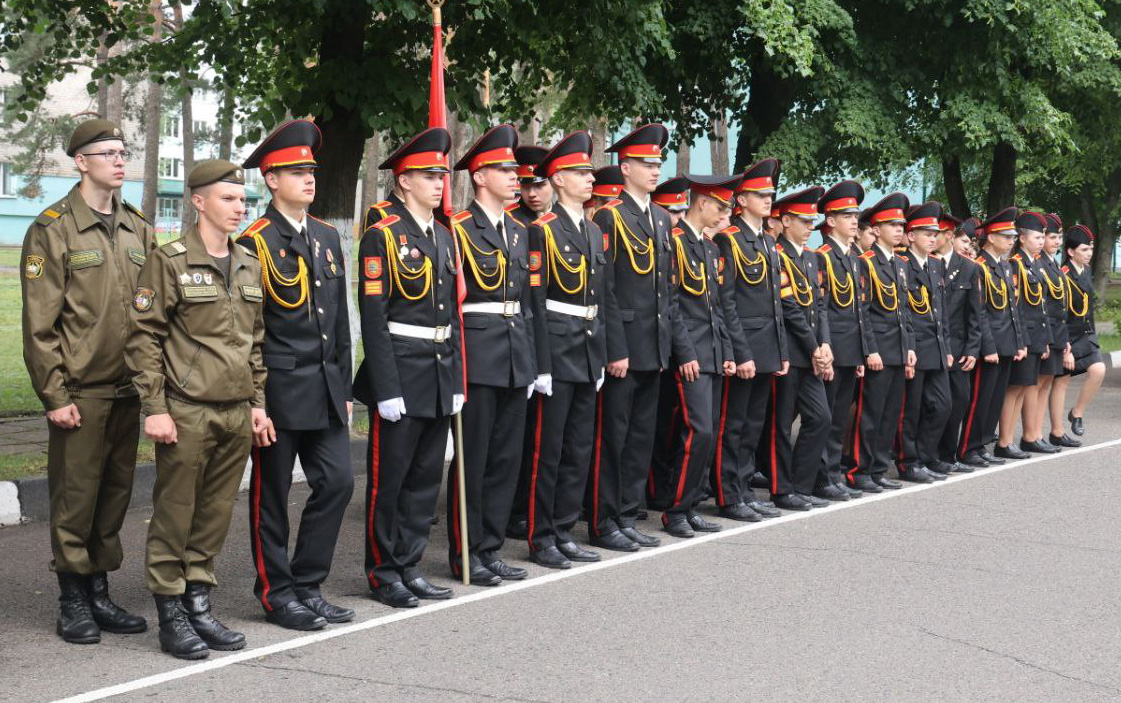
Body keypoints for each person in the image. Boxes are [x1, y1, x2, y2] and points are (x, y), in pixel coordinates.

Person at [127, 159, 269, 659]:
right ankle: (170, 613)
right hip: (186, 410)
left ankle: (198, 603)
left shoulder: (248, 262)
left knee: (213, 514)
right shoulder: (169, 261)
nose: (239, 208)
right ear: (199, 201)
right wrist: (155, 407)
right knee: (176, 512)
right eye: (228, 198)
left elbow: (254, 343)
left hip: (235, 411)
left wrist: (257, 403)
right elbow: (144, 337)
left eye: (243, 200)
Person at [21, 119, 154, 644]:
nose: (119, 161)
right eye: (108, 153)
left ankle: (99, 591)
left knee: (114, 496)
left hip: (129, 390)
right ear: (81, 162)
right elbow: (40, 325)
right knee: (75, 498)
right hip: (81, 392)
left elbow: (151, 313)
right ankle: (72, 599)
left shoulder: (138, 227)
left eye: (123, 152)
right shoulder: (53, 228)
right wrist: (54, 395)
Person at [236, 119, 355, 631]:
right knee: (271, 498)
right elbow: (245, 330)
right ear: (271, 179)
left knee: (339, 483)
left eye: (311, 171)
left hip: (325, 389)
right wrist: (254, 401)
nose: (309, 178)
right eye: (296, 172)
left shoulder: (326, 236)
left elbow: (340, 320)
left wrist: (344, 387)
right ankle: (276, 592)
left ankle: (308, 584)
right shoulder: (253, 242)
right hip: (279, 392)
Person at [354, 127, 464, 608]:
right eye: (429, 176)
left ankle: (410, 564)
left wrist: (455, 379)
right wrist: (386, 386)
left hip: (438, 372)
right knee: (390, 482)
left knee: (424, 480)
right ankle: (383, 572)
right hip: (401, 371)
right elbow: (373, 318)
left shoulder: (443, 236)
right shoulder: (382, 236)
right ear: (404, 181)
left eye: (441, 175)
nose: (439, 184)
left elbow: (452, 315)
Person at [445, 124, 535, 585]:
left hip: (515, 355)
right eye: (505, 170)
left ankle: (490, 548)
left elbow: (527, 303)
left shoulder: (518, 231)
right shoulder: (458, 228)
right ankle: (466, 551)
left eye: (515, 170)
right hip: (477, 357)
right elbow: (449, 305)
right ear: (479, 177)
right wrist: (455, 368)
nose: (515, 177)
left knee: (505, 460)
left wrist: (533, 363)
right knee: (473, 461)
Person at [587, 123, 682, 551]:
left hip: (653, 345)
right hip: (624, 345)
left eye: (658, 164)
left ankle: (626, 515)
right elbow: (605, 288)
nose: (655, 170)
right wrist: (616, 348)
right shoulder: (610, 215)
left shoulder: (660, 218)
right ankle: (603, 521)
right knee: (613, 439)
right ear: (625, 168)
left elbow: (666, 289)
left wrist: (667, 346)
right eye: (646, 164)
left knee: (641, 437)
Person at [522, 131, 608, 568]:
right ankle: (541, 537)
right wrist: (541, 363)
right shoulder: (542, 231)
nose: (590, 179)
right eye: (580, 172)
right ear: (557, 179)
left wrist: (602, 355)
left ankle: (564, 529)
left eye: (590, 172)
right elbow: (535, 302)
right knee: (548, 450)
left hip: (588, 347)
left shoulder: (593, 231)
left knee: (579, 448)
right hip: (556, 348)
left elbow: (601, 299)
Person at [652, 173, 738, 536]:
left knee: (709, 432)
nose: (723, 214)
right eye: (719, 207)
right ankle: (674, 510)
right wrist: (685, 353)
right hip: (691, 353)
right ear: (702, 203)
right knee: (698, 431)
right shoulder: (674, 242)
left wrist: (727, 351)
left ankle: (688, 505)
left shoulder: (710, 248)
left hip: (712, 350)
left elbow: (717, 306)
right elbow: (671, 305)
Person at [710, 158, 787, 520]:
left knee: (753, 425)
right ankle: (728, 495)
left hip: (767, 346)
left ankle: (743, 490)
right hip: (745, 347)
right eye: (760, 194)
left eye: (770, 194)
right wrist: (740, 352)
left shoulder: (768, 242)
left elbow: (775, 304)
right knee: (733, 424)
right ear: (741, 201)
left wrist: (781, 350)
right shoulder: (729, 240)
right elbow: (726, 302)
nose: (768, 199)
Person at [762, 187, 833, 511]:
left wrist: (825, 344)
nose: (809, 227)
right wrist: (814, 347)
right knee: (779, 424)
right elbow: (789, 307)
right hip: (789, 350)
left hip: (810, 351)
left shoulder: (810, 257)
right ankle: (781, 489)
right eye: (804, 221)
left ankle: (801, 485)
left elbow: (820, 305)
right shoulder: (777, 254)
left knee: (820, 417)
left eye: (812, 222)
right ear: (786, 221)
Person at [846, 193, 914, 493]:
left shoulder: (900, 264)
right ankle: (859, 470)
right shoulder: (866, 262)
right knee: (870, 414)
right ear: (876, 229)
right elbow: (862, 312)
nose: (899, 230)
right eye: (892, 225)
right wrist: (870, 349)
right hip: (878, 350)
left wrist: (909, 346)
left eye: (901, 225)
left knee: (889, 414)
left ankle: (877, 467)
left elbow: (904, 310)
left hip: (897, 348)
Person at [504, 143, 553, 541]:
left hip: (553, 340)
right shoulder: (514, 224)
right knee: (518, 439)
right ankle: (514, 510)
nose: (532, 193)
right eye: (525, 185)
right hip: (519, 338)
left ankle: (530, 507)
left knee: (542, 436)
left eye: (539, 185)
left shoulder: (557, 223)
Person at [958, 208, 1026, 467]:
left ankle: (982, 443)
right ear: (992, 237)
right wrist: (987, 347)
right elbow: (980, 312)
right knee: (980, 399)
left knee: (995, 399)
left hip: (1006, 342)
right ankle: (968, 447)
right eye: (1006, 236)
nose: (1011, 241)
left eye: (1013, 237)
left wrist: (1019, 342)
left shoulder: (1005, 266)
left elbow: (1012, 309)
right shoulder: (979, 267)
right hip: (990, 345)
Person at [813, 180, 868, 500]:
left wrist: (860, 353)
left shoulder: (852, 258)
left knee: (838, 418)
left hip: (850, 349)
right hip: (833, 348)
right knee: (828, 416)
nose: (854, 221)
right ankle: (821, 477)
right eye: (847, 216)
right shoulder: (823, 256)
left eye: (856, 216)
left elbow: (858, 311)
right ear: (831, 220)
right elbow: (821, 308)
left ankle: (832, 473)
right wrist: (826, 348)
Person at [896, 202, 953, 482]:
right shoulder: (902, 264)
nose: (933, 238)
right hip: (916, 346)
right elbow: (903, 310)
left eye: (935, 234)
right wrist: (908, 346)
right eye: (927, 234)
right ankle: (908, 461)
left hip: (936, 346)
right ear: (911, 236)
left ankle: (926, 455)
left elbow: (941, 310)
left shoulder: (935, 264)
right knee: (911, 409)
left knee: (943, 404)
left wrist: (947, 348)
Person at [995, 211, 1052, 460]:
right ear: (1022, 238)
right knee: (1014, 388)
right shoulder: (1016, 264)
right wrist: (1022, 340)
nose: (1041, 241)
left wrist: (1045, 339)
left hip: (1035, 335)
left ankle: (1011, 441)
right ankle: (1004, 441)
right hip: (1023, 336)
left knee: (1022, 388)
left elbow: (1041, 305)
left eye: (1042, 237)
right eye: (1037, 237)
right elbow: (1016, 307)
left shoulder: (1035, 264)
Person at [935, 216, 985, 473]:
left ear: (948, 236)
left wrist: (973, 350)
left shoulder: (969, 267)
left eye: (936, 232)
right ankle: (930, 456)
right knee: (934, 405)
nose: (932, 237)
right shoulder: (926, 264)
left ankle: (948, 455)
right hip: (932, 347)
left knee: (959, 401)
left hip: (958, 348)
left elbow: (975, 315)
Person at [1027, 213, 1075, 450]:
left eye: (1059, 238)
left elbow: (1060, 305)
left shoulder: (1053, 264)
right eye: (1052, 237)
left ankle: (1038, 434)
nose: (1057, 242)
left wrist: (1064, 339)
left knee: (1046, 382)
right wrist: (1045, 337)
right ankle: (1031, 435)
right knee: (1037, 383)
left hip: (1057, 331)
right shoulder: (1039, 264)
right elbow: (1041, 304)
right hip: (1045, 331)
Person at [1053, 224, 1105, 438]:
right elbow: (1060, 314)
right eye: (1084, 249)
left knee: (1098, 370)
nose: (1089, 253)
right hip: (1067, 336)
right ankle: (1057, 432)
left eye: (1090, 248)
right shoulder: (1063, 275)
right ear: (1071, 251)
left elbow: (1087, 308)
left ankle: (1077, 413)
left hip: (1085, 333)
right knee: (1061, 381)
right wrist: (1066, 349)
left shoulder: (1086, 270)